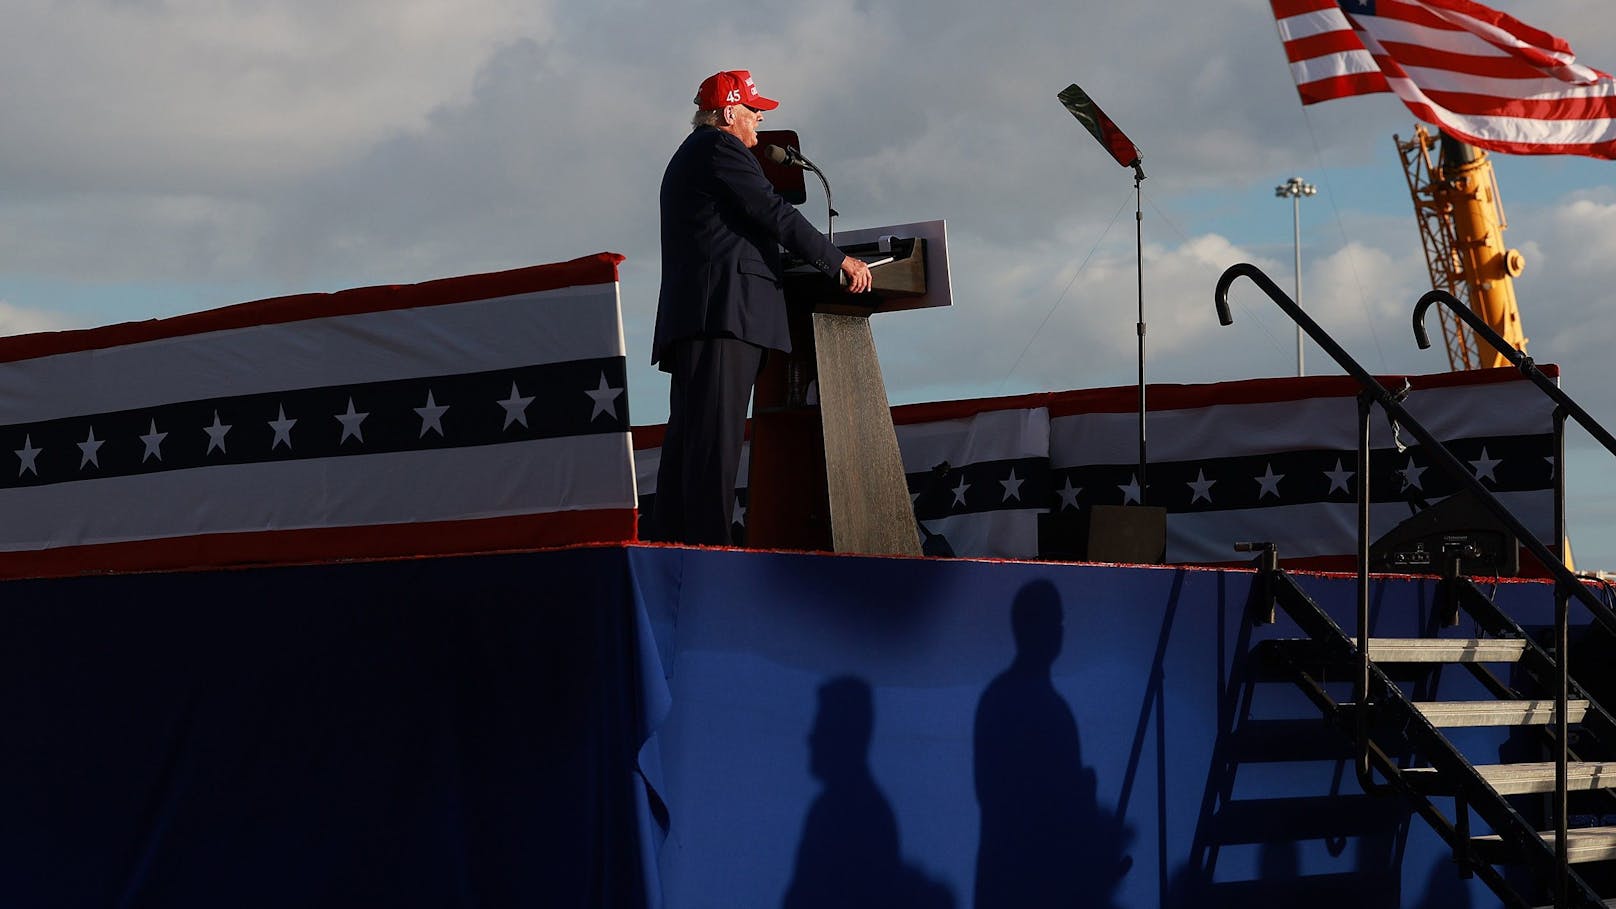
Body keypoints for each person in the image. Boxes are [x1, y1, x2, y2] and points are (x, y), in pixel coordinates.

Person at [651, 69, 873, 546]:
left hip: (706, 318)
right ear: (729, 112)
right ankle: (710, 557)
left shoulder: (697, 154)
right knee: (712, 448)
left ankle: (675, 549)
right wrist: (837, 262)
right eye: (753, 112)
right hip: (722, 320)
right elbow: (773, 212)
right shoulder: (719, 149)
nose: (758, 123)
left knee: (692, 447)